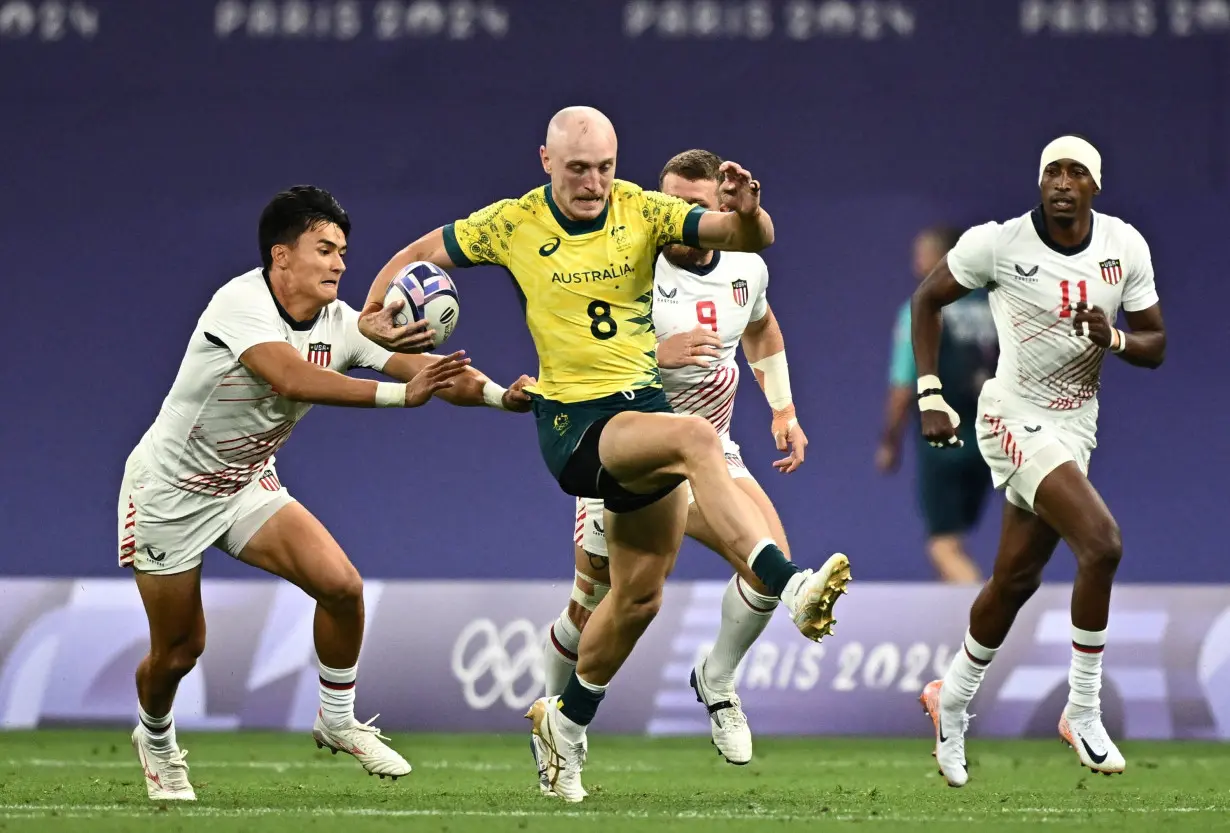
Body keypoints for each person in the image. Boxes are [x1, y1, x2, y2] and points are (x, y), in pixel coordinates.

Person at [358, 108, 851, 802]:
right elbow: (422, 251)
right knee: (695, 440)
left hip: (640, 418)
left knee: (639, 599)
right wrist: (371, 310)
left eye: (605, 167)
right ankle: (792, 583)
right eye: (578, 168)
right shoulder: (512, 222)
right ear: (546, 161)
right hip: (575, 423)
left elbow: (740, 237)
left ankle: (565, 727)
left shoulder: (643, 212)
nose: (593, 183)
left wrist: (751, 211)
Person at [120, 186, 534, 801]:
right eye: (324, 249)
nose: (340, 263)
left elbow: (430, 372)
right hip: (170, 493)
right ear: (280, 256)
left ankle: (337, 721)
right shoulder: (239, 303)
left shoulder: (343, 324)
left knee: (342, 588)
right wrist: (400, 397)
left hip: (245, 483)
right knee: (180, 650)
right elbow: (290, 374)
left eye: (343, 251)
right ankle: (155, 739)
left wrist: (503, 395)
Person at [541, 149, 830, 768]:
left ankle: (717, 683)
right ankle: (552, 714)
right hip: (625, 447)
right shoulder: (627, 263)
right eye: (673, 204)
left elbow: (761, 326)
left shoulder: (746, 268)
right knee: (597, 600)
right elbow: (578, 350)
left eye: (696, 207)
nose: (681, 217)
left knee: (763, 563)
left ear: (721, 211)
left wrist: (783, 410)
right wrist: (655, 352)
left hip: (712, 447)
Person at [912, 136, 1165, 786]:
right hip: (1010, 414)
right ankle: (1082, 708)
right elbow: (926, 300)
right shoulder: (998, 243)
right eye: (1052, 169)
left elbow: (1155, 343)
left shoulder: (1123, 247)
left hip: (1076, 422)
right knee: (1102, 543)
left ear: (1094, 188)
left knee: (1014, 580)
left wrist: (1110, 335)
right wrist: (931, 392)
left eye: (1076, 171)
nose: (1062, 180)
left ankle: (953, 698)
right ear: (1040, 181)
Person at [876, 226, 998, 583]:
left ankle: (991, 622)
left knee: (942, 546)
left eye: (922, 255)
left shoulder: (923, 309)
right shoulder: (993, 307)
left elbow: (903, 385)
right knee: (954, 545)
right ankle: (962, 633)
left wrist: (889, 441)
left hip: (944, 439)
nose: (916, 263)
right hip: (991, 440)